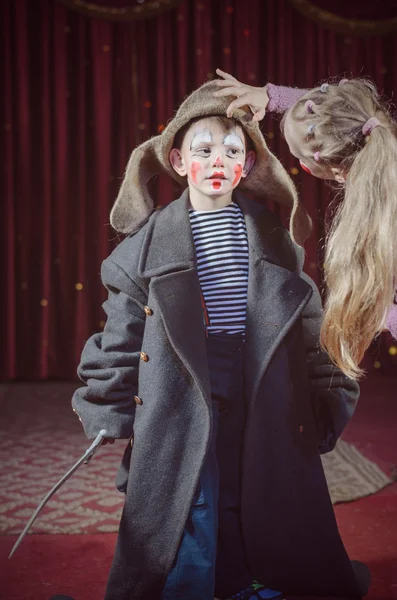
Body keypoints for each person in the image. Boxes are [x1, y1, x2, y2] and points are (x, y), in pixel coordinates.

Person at [71, 80, 370, 600]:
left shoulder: (276, 239)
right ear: (178, 160)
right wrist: (108, 406)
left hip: (259, 379)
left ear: (248, 165)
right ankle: (195, 584)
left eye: (231, 151)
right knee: (194, 487)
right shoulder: (141, 250)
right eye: (203, 149)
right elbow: (121, 336)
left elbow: (307, 326)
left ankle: (256, 578)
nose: (217, 160)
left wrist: (328, 395)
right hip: (183, 385)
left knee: (255, 478)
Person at [214, 69, 397, 380]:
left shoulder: (383, 220)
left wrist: (386, 315)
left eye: (301, 160)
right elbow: (341, 118)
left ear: (331, 169)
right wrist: (271, 96)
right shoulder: (374, 132)